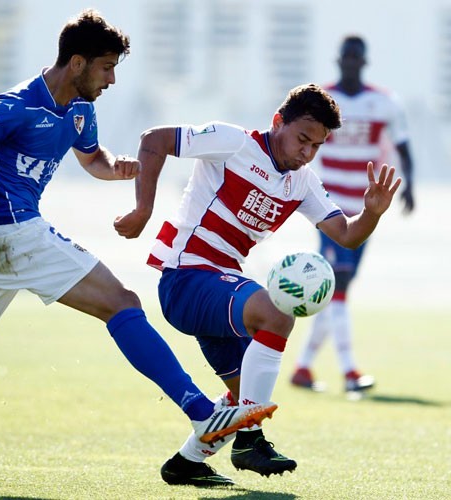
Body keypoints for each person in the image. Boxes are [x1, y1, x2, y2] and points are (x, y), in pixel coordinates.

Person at [0, 9, 277, 457]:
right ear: (77, 63)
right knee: (122, 303)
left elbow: (92, 159)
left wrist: (115, 170)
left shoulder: (80, 110)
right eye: (107, 68)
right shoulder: (14, 106)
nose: (112, 81)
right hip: (10, 232)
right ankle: (201, 411)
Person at [114, 83, 402, 486]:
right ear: (277, 122)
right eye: (302, 139)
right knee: (277, 312)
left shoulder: (302, 182)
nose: (307, 153)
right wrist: (143, 208)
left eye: (316, 146)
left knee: (243, 394)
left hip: (221, 288)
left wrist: (371, 213)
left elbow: (348, 235)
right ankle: (251, 440)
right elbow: (154, 140)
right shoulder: (232, 142)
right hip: (186, 279)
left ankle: (187, 462)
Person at [290, 35, 415, 395]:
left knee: (334, 292)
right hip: (329, 208)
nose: (350, 63)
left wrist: (411, 185)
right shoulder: (325, 105)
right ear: (338, 60)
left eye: (356, 58)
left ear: (364, 62)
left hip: (367, 209)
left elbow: (405, 146)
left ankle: (302, 368)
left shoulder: (384, 102)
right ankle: (349, 372)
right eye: (346, 57)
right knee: (339, 288)